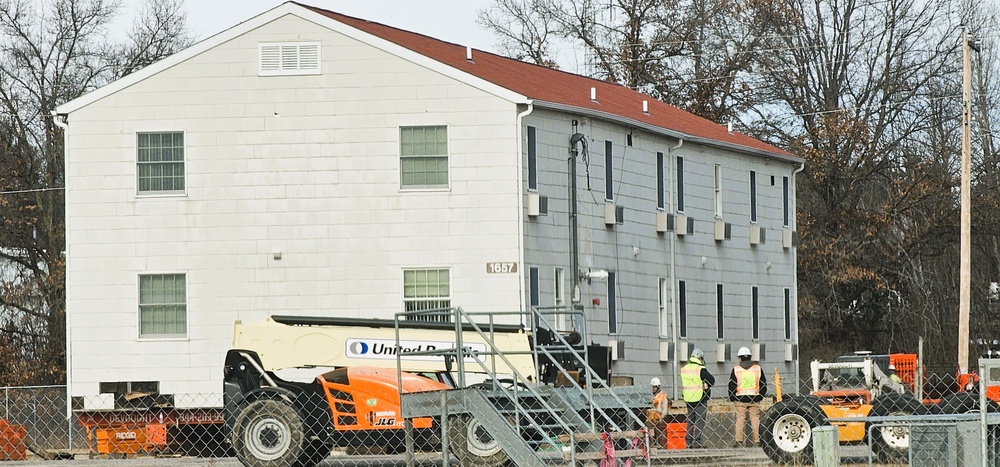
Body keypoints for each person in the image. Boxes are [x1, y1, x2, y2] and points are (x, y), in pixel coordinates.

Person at [728, 346, 767, 447]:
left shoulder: (736, 370)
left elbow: (732, 385)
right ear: (750, 357)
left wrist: (732, 397)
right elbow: (763, 384)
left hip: (740, 398)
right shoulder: (757, 369)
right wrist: (760, 396)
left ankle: (739, 441)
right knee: (755, 419)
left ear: (740, 358)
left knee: (740, 419)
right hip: (754, 397)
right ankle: (758, 441)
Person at [681, 348, 714, 448]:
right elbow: (711, 380)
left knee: (690, 420)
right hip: (700, 398)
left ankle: (688, 442)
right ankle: (696, 443)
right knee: (700, 421)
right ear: (700, 358)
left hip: (688, 398)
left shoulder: (684, 369)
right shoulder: (701, 369)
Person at [646, 377, 669, 447]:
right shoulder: (653, 396)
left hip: (659, 417)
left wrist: (661, 418)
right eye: (653, 387)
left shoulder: (662, 396)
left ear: (658, 387)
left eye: (654, 387)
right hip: (652, 417)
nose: (653, 388)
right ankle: (651, 444)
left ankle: (656, 444)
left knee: (653, 428)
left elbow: (665, 409)